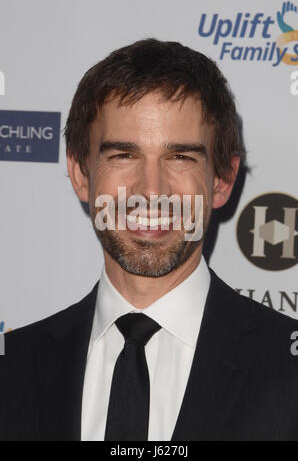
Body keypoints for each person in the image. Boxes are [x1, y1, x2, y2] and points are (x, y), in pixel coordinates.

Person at [1, 38, 298, 442]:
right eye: (123, 155)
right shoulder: (15, 366)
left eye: (181, 157)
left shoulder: (288, 367)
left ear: (223, 179)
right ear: (80, 173)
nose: (151, 190)